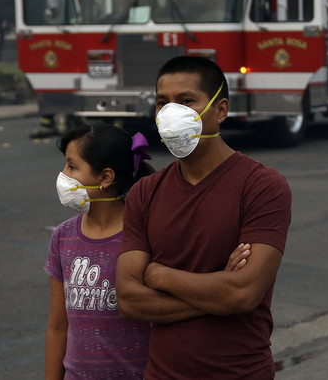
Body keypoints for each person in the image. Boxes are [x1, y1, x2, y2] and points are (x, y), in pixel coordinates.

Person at [116, 56, 292, 380]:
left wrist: (158, 275)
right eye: (161, 103)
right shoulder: (145, 192)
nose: (170, 113)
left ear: (220, 110)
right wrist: (217, 294)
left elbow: (243, 293)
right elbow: (128, 300)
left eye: (185, 101)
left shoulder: (263, 186)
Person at [44, 122, 250, 379]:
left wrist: (220, 286)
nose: (63, 175)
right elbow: (57, 325)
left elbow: (178, 300)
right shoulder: (63, 236)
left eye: (72, 166)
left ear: (105, 178)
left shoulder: (143, 237)